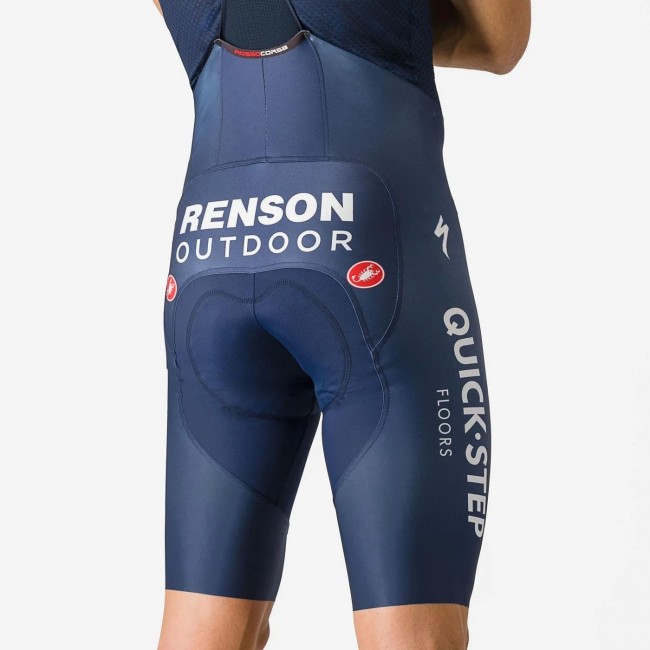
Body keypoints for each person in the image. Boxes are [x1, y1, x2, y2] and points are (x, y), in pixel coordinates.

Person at [151, 1, 530, 648]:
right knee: (412, 632)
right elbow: (500, 42)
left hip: (208, 249)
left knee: (199, 628)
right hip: (364, 245)